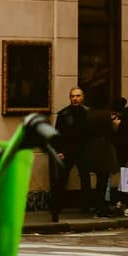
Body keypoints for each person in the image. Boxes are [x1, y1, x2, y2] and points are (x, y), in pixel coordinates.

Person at [49, 87, 92, 222]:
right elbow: (57, 135)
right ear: (70, 97)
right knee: (62, 178)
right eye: (73, 96)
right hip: (68, 151)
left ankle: (86, 205)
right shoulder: (63, 114)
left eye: (78, 96)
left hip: (83, 150)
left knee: (85, 177)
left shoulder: (88, 113)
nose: (75, 98)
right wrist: (60, 151)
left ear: (82, 97)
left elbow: (91, 134)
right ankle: (57, 206)